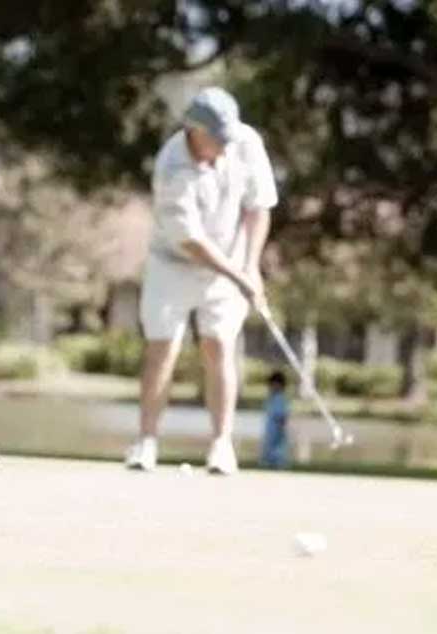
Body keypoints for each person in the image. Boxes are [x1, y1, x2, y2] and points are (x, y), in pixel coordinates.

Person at [126, 87, 278, 474]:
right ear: (194, 131)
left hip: (232, 257)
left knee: (220, 346)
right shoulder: (171, 166)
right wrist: (237, 274)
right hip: (173, 262)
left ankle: (221, 444)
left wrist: (252, 265)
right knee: (163, 348)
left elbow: (259, 207)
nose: (225, 148)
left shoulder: (245, 142)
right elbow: (191, 240)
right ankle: (146, 442)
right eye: (216, 139)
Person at [259, 371, 291, 468]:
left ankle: (278, 463)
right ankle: (268, 462)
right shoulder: (270, 398)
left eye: (274, 384)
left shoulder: (281, 399)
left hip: (277, 430)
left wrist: (281, 430)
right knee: (268, 449)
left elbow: (282, 416)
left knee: (277, 451)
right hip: (270, 430)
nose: (272, 387)